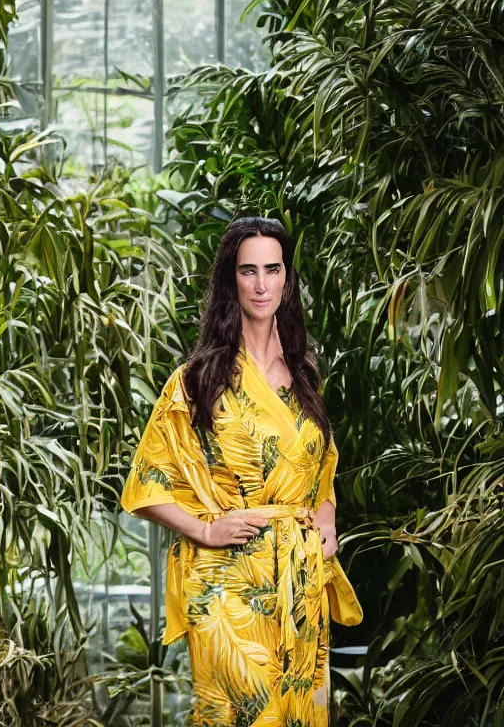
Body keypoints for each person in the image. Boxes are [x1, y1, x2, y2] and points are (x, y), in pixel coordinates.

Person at [120, 215, 363, 726]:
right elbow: (147, 481)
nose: (260, 284)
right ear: (231, 280)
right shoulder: (198, 378)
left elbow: (321, 464)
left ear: (286, 279)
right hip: (227, 581)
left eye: (272, 270)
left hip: (299, 578)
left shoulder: (304, 368)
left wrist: (327, 521)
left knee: (299, 713)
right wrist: (205, 528)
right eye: (247, 270)